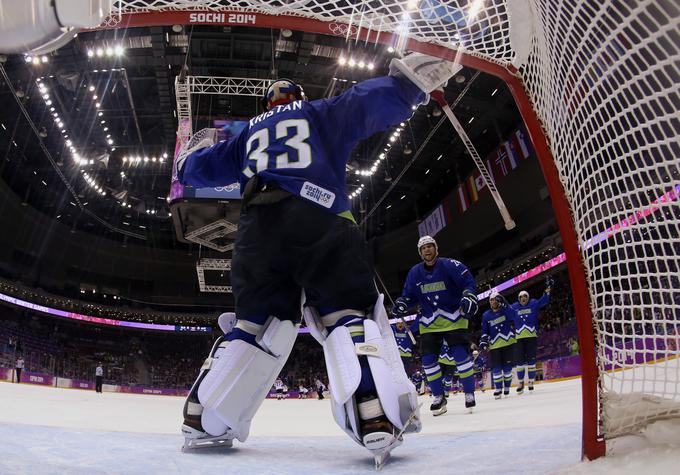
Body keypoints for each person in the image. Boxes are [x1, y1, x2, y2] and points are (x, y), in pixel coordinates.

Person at [177, 52, 461, 466]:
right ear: (298, 95)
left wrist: (187, 161)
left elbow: (197, 168)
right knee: (346, 312)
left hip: (258, 232)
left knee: (257, 325)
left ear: (268, 103)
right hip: (320, 215)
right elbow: (364, 103)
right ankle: (374, 413)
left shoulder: (245, 136)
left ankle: (204, 418)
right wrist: (407, 86)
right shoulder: (318, 111)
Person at [392, 235, 479, 416]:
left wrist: (469, 295)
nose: (427, 250)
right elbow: (409, 296)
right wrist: (402, 303)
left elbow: (468, 283)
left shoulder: (451, 265)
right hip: (429, 323)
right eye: (423, 248)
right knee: (428, 361)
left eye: (430, 246)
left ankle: (469, 392)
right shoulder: (414, 273)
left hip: (454, 318)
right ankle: (438, 397)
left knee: (460, 355)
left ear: (436, 249)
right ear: (420, 252)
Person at [511, 279, 552, 393]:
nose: (523, 298)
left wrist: (547, 291)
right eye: (521, 297)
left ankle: (530, 382)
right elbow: (505, 310)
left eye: (525, 296)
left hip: (531, 337)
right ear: (518, 299)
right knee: (519, 362)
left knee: (531, 361)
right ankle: (520, 383)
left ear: (528, 297)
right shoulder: (514, 307)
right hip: (518, 338)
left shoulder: (534, 303)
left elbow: (544, 301)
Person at [480, 292, 517, 399]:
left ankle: (507, 387)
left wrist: (504, 301)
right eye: (491, 300)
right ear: (489, 302)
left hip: (508, 343)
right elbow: (484, 330)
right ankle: (498, 389)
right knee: (496, 368)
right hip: (494, 345)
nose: (493, 302)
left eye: (495, 299)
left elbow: (513, 315)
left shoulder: (505, 310)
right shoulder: (486, 315)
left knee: (507, 368)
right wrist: (483, 340)